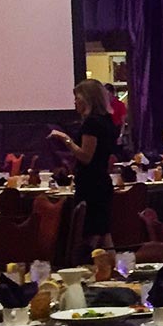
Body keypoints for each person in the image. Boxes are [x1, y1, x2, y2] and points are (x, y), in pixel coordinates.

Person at [50, 79, 118, 249]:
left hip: (91, 185)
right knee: (104, 233)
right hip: (102, 182)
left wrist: (65, 139)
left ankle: (91, 270)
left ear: (87, 99)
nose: (75, 102)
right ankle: (111, 269)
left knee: (92, 237)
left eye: (77, 98)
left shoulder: (91, 123)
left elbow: (86, 156)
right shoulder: (107, 121)